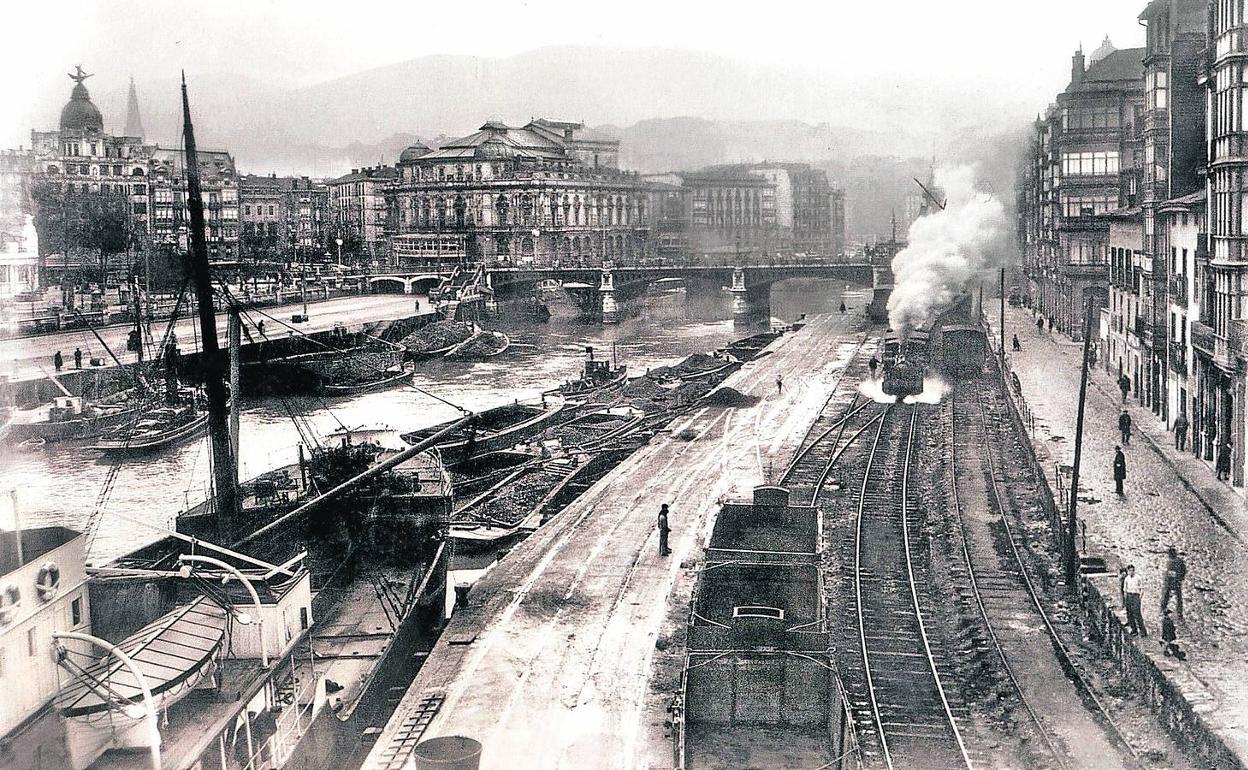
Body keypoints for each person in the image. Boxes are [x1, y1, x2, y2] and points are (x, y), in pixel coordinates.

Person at [1161, 546, 1186, 621]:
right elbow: (1184, 570)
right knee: (1178, 597)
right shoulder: (1179, 561)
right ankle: (1179, 612)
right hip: (1175, 581)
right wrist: (1181, 578)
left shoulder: (1170, 562)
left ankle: (1164, 608)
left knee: (1166, 595)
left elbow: (1167, 572)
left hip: (1170, 581)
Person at [1123, 564, 1148, 637]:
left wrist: (1139, 597)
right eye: (1129, 571)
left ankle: (1143, 631)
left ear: (1134, 571)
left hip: (1135, 596)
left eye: (1132, 570)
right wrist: (1126, 599)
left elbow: (1142, 588)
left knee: (1137, 614)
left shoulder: (1138, 578)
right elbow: (1125, 590)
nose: (1131, 572)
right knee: (1130, 614)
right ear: (1127, 571)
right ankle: (1134, 630)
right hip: (1129, 595)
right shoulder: (1126, 579)